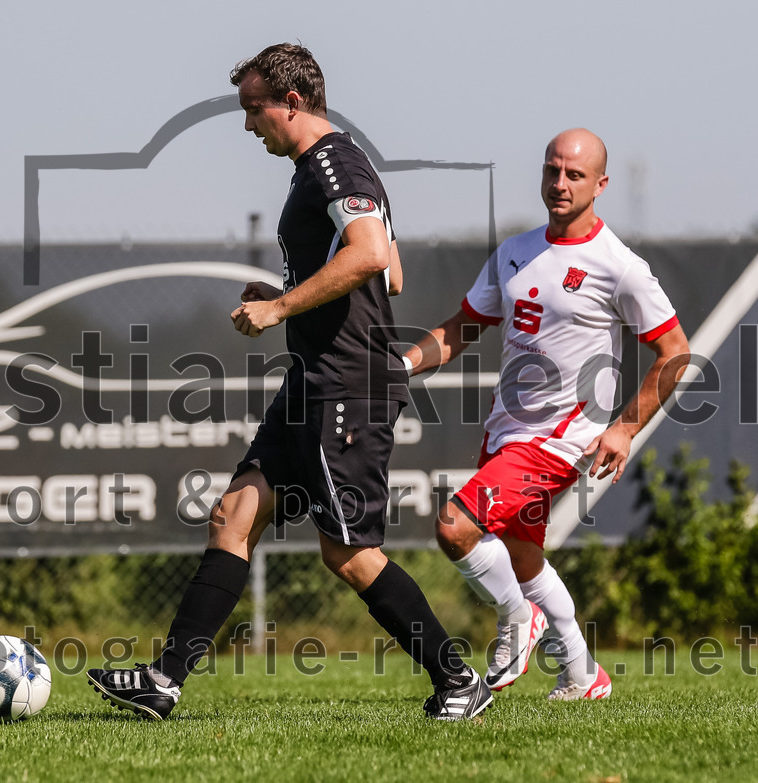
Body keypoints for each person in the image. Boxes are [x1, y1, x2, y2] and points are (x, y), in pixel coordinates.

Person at [87, 42, 492, 722]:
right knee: (234, 514)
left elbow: (369, 255)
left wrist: (279, 306)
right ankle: (164, 681)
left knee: (349, 554)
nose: (250, 126)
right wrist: (290, 289)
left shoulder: (334, 162)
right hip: (313, 380)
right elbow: (391, 269)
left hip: (347, 385)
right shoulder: (324, 168)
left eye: (254, 110)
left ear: (292, 102)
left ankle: (458, 680)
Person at [402, 128, 691, 700]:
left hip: (561, 439)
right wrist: (404, 363)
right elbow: (460, 329)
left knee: (455, 527)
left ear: (600, 185)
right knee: (520, 552)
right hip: (506, 429)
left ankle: (519, 618)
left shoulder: (619, 266)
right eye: (552, 170)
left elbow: (676, 351)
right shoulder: (514, 250)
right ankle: (583, 674)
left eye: (575, 174)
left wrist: (625, 427)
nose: (560, 183)